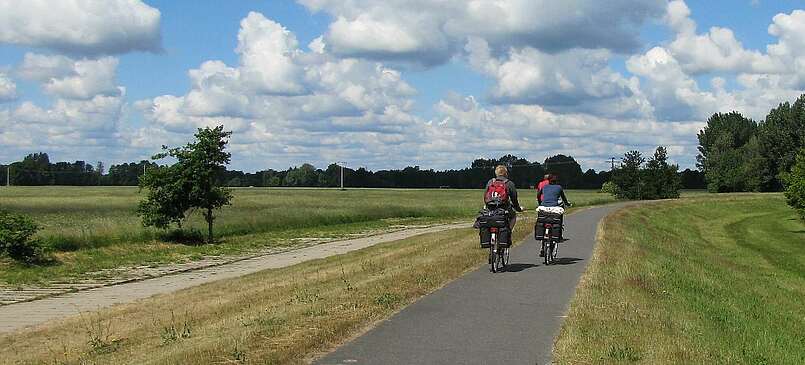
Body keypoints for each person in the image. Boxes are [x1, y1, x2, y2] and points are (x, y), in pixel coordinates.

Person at [537, 175, 571, 256]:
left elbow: (538, 195)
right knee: (559, 219)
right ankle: (558, 235)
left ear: (548, 181)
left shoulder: (544, 187)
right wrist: (567, 204)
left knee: (542, 222)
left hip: (543, 208)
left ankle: (542, 245)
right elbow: (563, 198)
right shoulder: (559, 187)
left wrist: (540, 203)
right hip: (554, 208)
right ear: (556, 181)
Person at [484, 165, 524, 230]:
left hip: (490, 208)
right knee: (513, 216)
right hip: (503, 208)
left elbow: (485, 196)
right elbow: (514, 200)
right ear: (506, 173)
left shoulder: (490, 182)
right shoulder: (509, 183)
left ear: (496, 173)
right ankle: (508, 232)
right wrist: (518, 209)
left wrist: (487, 205)